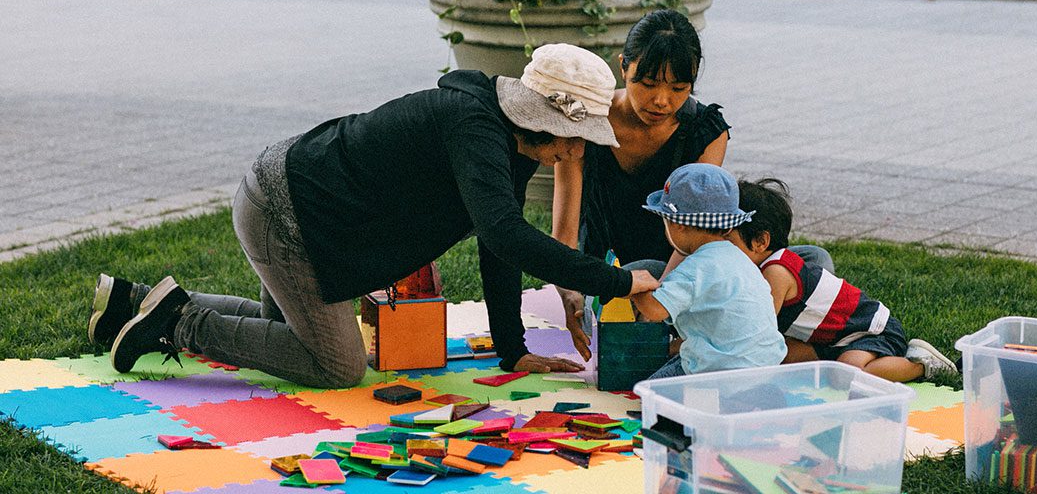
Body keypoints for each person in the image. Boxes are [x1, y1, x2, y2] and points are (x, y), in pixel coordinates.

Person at [88, 44, 660, 388]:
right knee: (337, 366)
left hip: (302, 204)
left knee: (289, 333)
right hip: (288, 213)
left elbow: (496, 243)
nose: (578, 151)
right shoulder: (475, 128)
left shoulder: (502, 138)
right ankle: (176, 323)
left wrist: (512, 349)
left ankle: (132, 298)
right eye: (574, 136)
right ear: (544, 121)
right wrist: (616, 280)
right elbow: (506, 234)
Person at [551, 10, 733, 360]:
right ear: (623, 67)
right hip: (607, 275)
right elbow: (565, 234)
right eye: (647, 84)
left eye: (679, 88)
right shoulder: (584, 121)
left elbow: (696, 239)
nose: (662, 101)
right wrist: (570, 291)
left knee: (801, 264)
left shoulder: (706, 131)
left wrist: (663, 302)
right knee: (635, 277)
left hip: (676, 278)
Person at [729, 178, 957, 381]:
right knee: (784, 361)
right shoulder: (763, 266)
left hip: (870, 331)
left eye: (728, 240)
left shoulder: (776, 272)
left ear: (761, 241)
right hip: (829, 341)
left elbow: (759, 328)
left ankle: (921, 364)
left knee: (848, 374)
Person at [627, 164, 787, 379]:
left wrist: (635, 286)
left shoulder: (696, 267)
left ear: (678, 225)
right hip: (766, 368)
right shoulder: (739, 259)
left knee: (647, 393)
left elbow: (655, 311)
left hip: (719, 374)